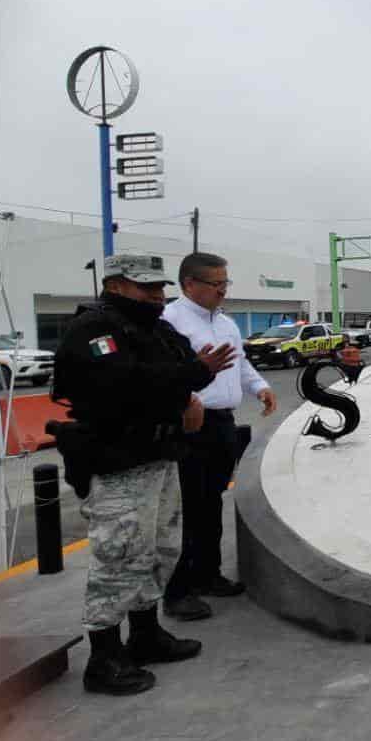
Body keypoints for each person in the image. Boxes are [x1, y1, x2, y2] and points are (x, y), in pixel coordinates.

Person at [51, 252, 236, 694]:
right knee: (119, 556)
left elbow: (178, 370)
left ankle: (146, 633)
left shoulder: (155, 327)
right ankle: (104, 657)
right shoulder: (95, 329)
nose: (157, 296)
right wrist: (192, 374)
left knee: (159, 549)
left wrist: (190, 384)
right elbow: (124, 382)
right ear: (116, 285)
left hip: (160, 453)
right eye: (147, 288)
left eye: (159, 288)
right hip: (118, 459)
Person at [161, 252, 276, 621]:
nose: (223, 291)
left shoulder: (225, 324)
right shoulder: (170, 322)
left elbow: (241, 362)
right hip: (188, 426)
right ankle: (177, 591)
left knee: (211, 503)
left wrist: (259, 387)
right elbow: (164, 373)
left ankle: (207, 575)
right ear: (190, 284)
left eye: (226, 283)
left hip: (222, 424)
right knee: (186, 509)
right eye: (216, 284)